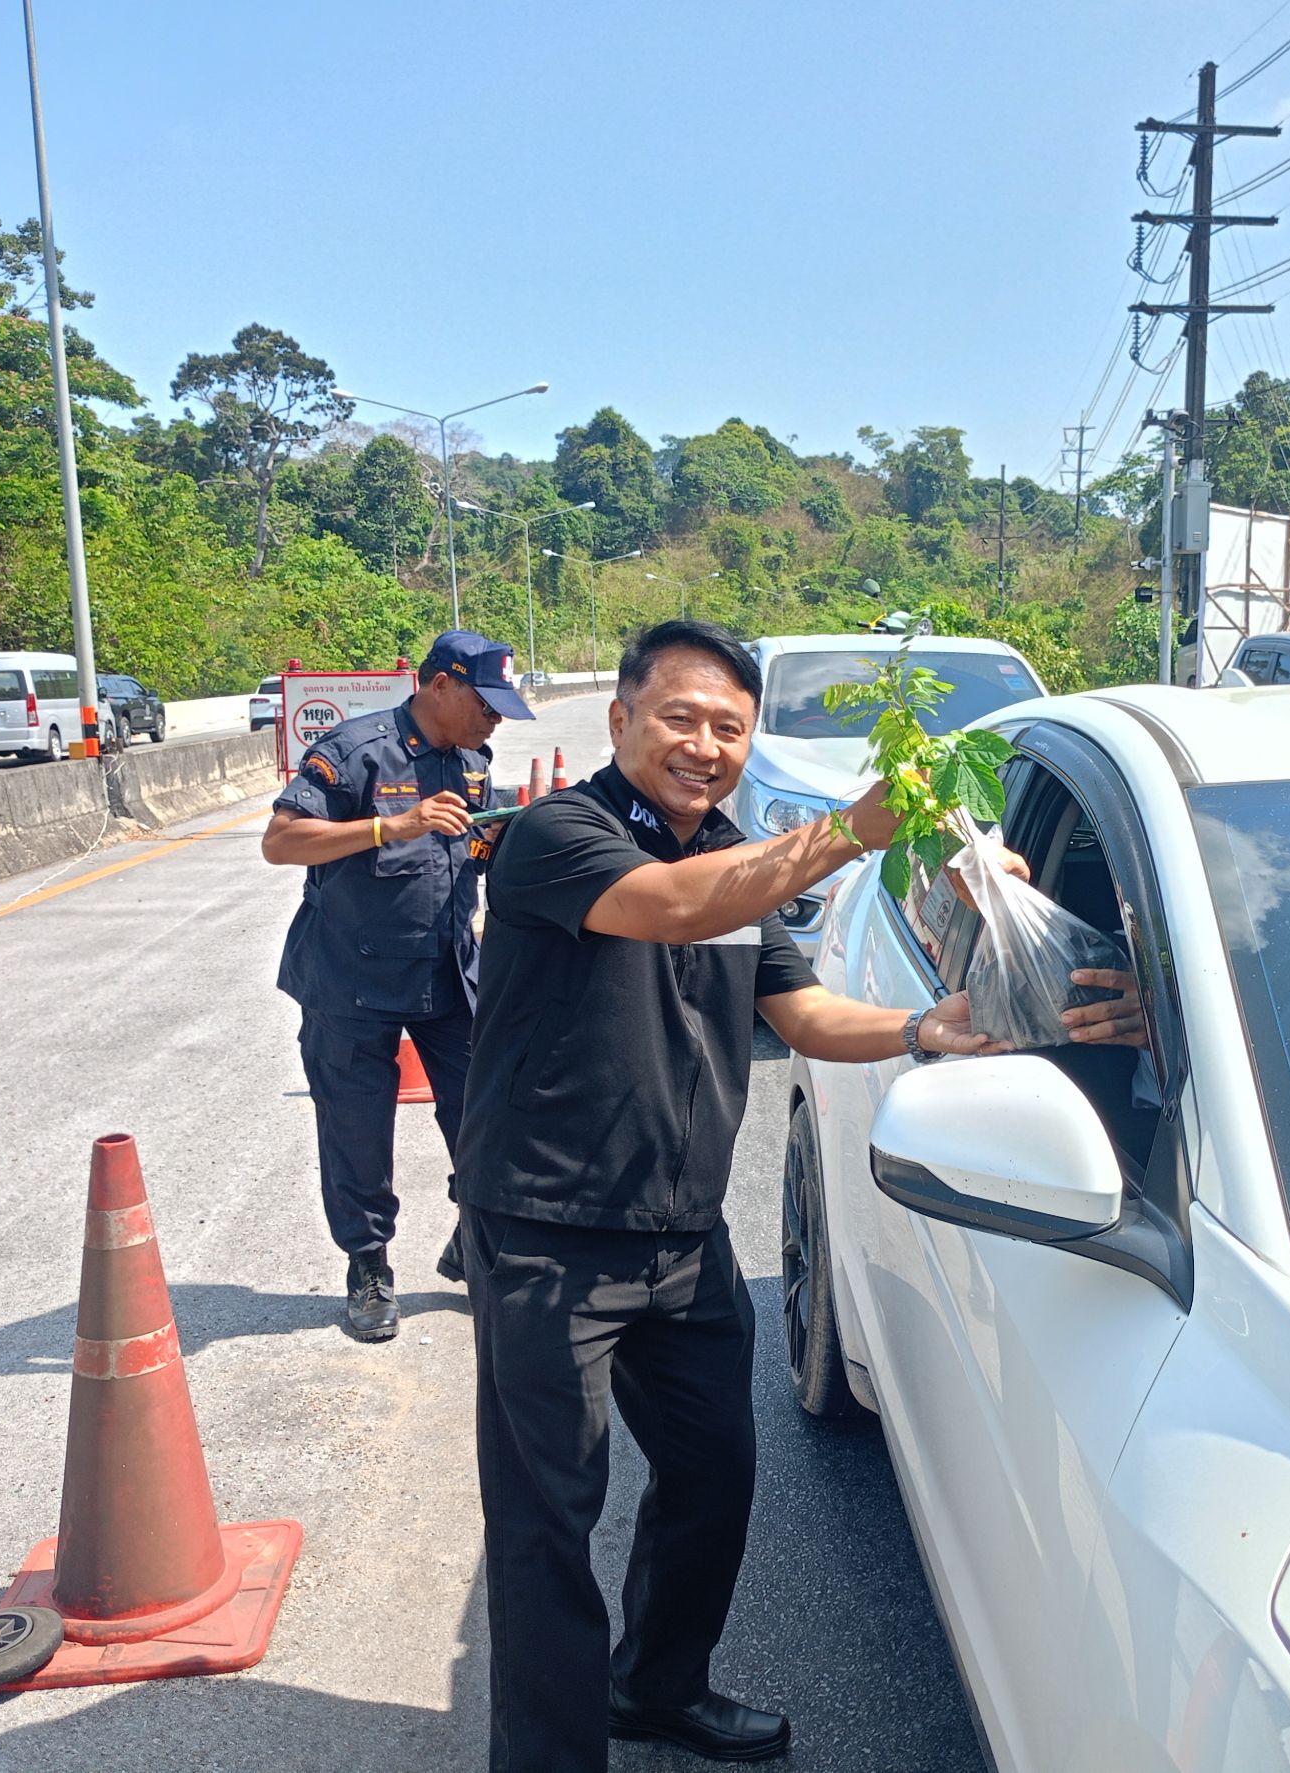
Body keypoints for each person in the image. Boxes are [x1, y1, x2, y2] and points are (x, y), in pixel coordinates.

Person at [457, 618, 1019, 1771]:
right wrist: (860, 828)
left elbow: (803, 1014)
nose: (704, 744)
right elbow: (672, 908)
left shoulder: (732, 860)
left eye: (729, 726)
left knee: (716, 1474)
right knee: (548, 1525)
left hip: (681, 1238)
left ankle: (657, 1687)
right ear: (620, 721)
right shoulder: (555, 836)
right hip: (549, 1238)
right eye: (680, 717)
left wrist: (925, 1029)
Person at [262, 631, 531, 1340]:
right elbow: (280, 841)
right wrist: (389, 827)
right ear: (440, 684)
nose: (496, 718)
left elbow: (465, 851)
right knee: (355, 1129)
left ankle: (472, 1237)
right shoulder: (357, 751)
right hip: (349, 978)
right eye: (486, 701)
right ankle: (369, 1265)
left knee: (487, 1118)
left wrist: (498, 839)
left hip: (446, 972)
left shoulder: (474, 760)